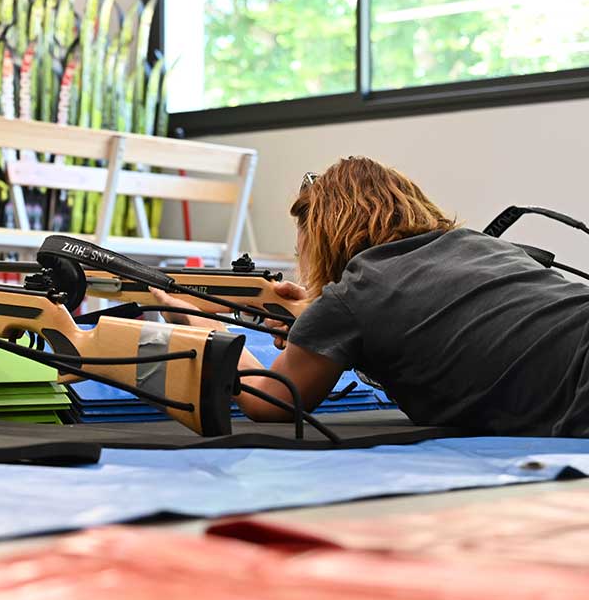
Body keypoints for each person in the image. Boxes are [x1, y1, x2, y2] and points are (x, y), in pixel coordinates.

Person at [152, 156, 589, 437]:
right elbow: (463, 312)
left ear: (325, 233)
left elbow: (270, 402)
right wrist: (312, 315)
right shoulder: (479, 244)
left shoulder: (352, 299)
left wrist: (201, 324)